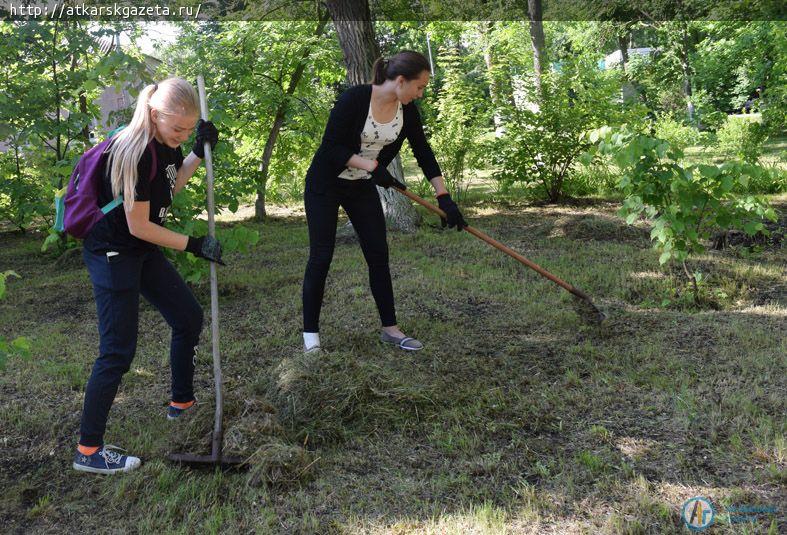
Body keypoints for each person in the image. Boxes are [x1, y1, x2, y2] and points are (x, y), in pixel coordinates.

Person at [73, 77, 223, 474]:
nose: (182, 135)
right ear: (155, 115)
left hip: (139, 247)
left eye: (189, 129)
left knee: (187, 317)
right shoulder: (134, 151)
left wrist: (195, 152)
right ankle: (88, 451)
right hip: (113, 252)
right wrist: (193, 245)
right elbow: (139, 224)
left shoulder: (166, 145)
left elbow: (168, 187)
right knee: (117, 350)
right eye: (178, 129)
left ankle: (182, 402)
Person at [301, 50, 466, 354]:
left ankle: (390, 329)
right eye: (419, 87)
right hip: (325, 184)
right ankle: (311, 338)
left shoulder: (407, 111)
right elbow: (331, 149)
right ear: (401, 81)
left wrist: (444, 197)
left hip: (361, 187)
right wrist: (373, 168)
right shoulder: (354, 99)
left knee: (378, 254)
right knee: (321, 256)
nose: (421, 94)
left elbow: (423, 152)